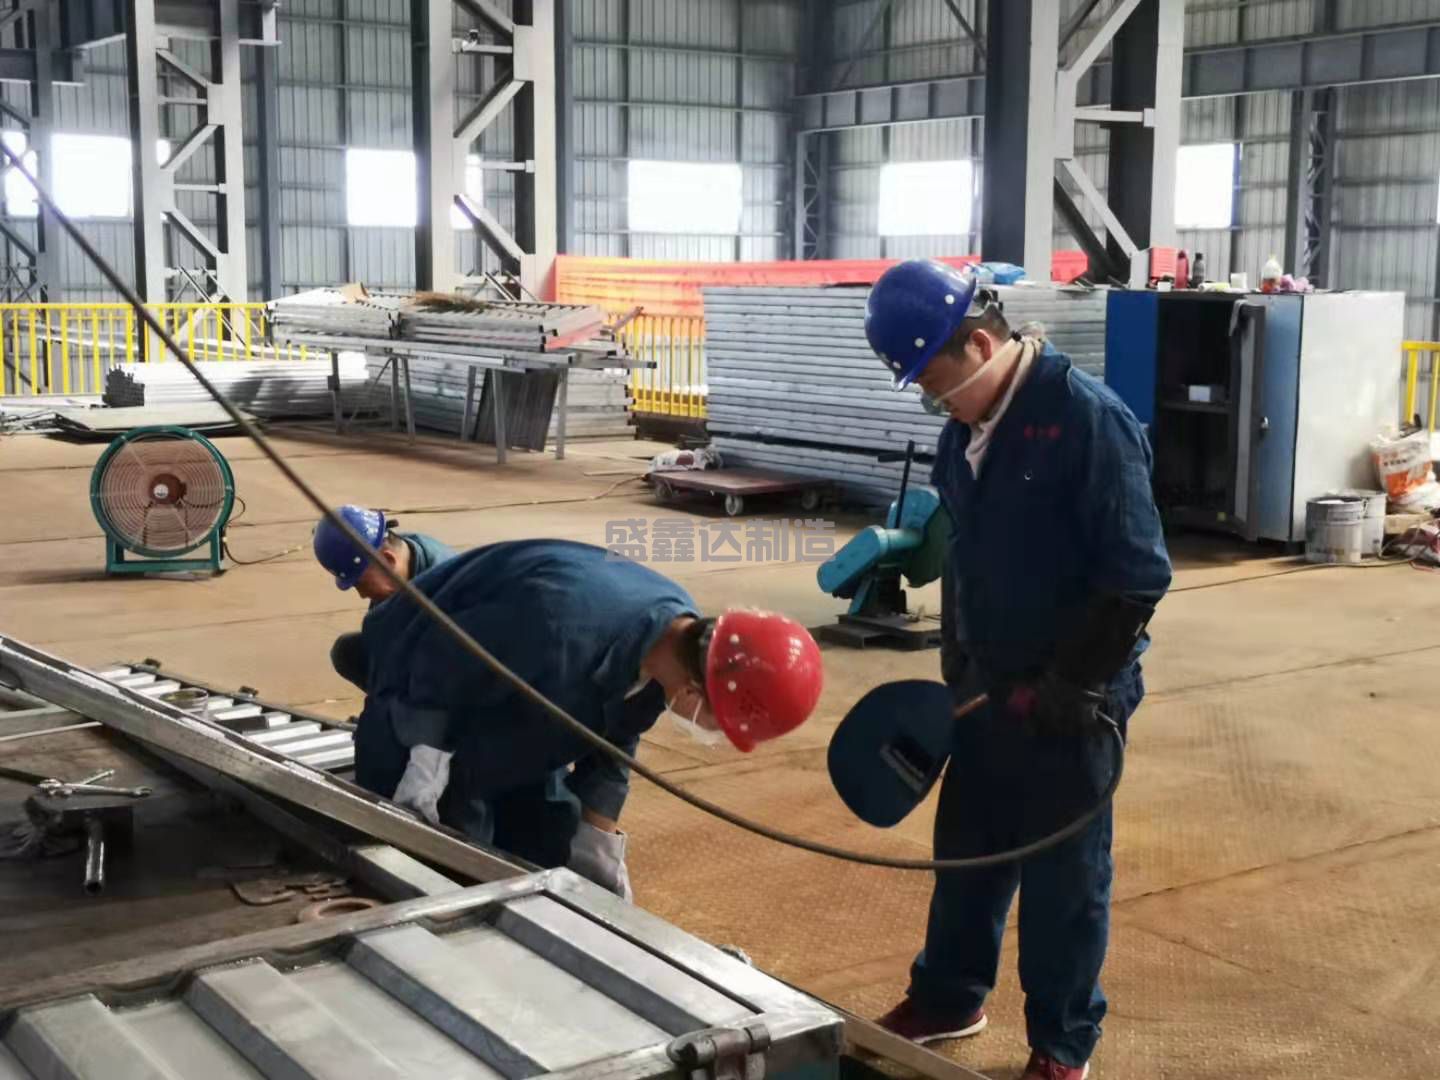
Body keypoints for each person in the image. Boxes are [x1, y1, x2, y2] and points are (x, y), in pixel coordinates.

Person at [865, 260, 1172, 1080]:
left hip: (1075, 701)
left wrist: (1073, 685)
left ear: (978, 345)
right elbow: (962, 555)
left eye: (935, 380)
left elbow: (1137, 577)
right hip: (987, 689)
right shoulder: (962, 432)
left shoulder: (1085, 421)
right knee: (967, 855)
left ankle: (1062, 1043)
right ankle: (949, 997)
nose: (934, 400)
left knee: (1064, 882)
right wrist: (959, 663)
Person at [351, 538, 824, 900]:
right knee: (455, 868)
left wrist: (599, 844)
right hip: (416, 687)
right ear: (694, 690)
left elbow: (618, 735)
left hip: (521, 708)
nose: (707, 731)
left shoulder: (670, 641)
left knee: (551, 840)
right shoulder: (559, 628)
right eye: (715, 724)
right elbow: (436, 663)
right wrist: (425, 765)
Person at [312, 505, 455, 691]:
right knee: (347, 652)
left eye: (361, 584)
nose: (362, 594)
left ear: (388, 561)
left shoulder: (445, 594)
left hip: (458, 675)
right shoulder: (402, 553)